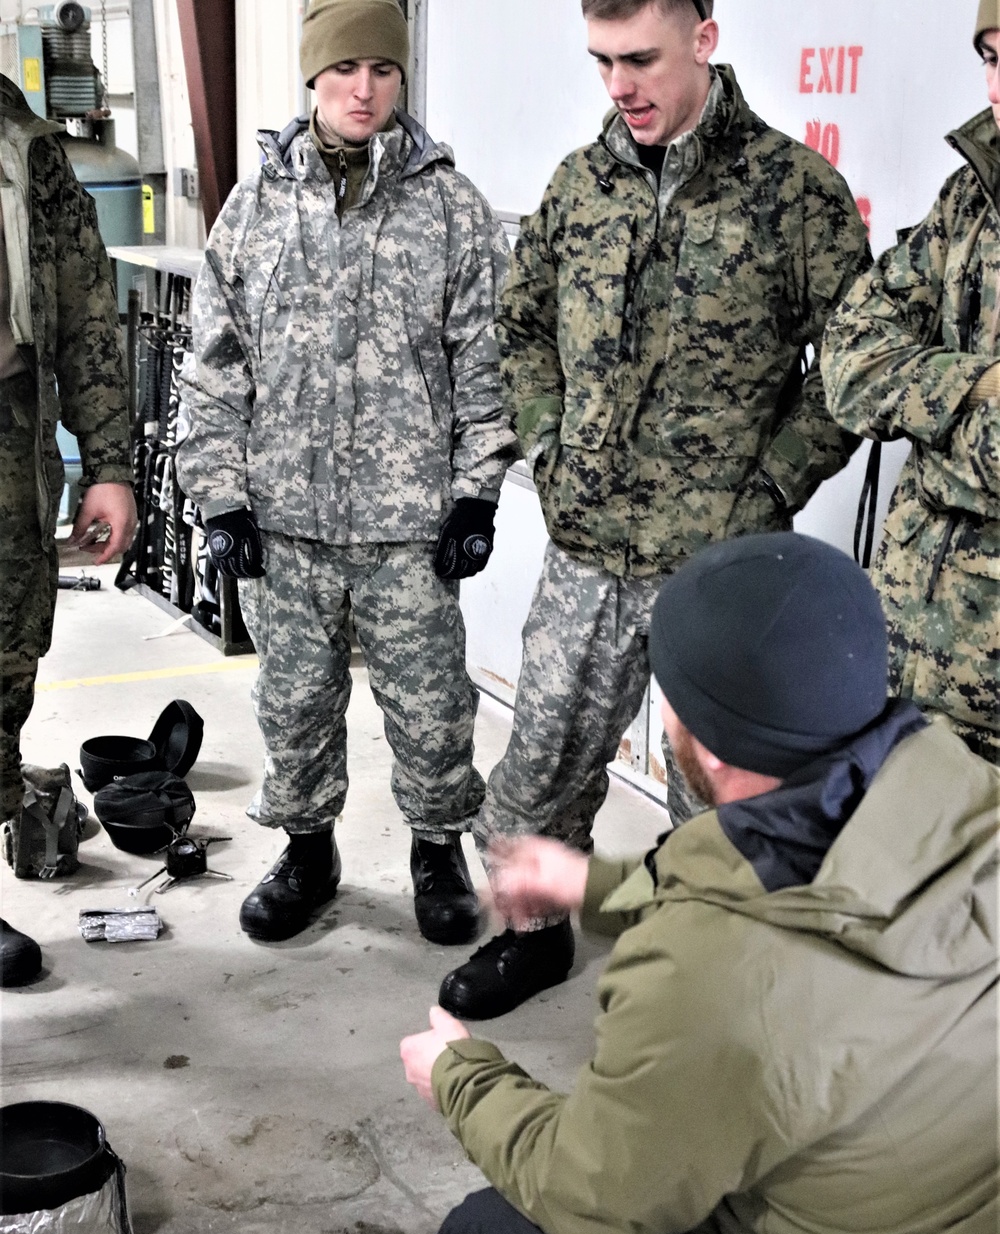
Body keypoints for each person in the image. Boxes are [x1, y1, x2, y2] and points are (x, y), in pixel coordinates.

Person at [401, 532, 999, 1234]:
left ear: (699, 743)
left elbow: (597, 1201)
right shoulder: (958, 795)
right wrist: (589, 884)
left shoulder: (712, 976)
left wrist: (464, 1078)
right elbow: (774, 868)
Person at [439, 0, 872, 1021]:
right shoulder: (581, 185)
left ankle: (701, 973)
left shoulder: (792, 194)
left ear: (704, 41)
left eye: (640, 59)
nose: (618, 86)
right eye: (600, 62)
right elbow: (522, 322)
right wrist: (545, 441)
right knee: (538, 764)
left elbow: (852, 369)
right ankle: (532, 939)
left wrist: (770, 485)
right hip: (588, 546)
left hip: (719, 568)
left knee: (714, 800)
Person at [178, 0, 517, 944]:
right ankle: (307, 846)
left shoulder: (448, 204)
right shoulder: (256, 207)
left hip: (410, 521)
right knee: (293, 698)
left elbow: (484, 361)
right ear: (312, 78)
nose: (362, 89)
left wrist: (476, 489)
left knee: (433, 700)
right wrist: (222, 497)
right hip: (286, 519)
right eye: (343, 69)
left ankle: (437, 848)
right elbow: (215, 362)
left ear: (402, 78)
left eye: (382, 69)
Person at [822, 0, 1000, 768]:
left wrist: (930, 429)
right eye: (992, 57)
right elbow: (848, 362)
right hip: (912, 673)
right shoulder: (970, 203)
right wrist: (976, 384)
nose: (998, 90)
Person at [0, 76, 135, 989]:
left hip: (9, 453)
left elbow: (90, 318)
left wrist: (111, 465)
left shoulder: (33, 152)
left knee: (4, 675)